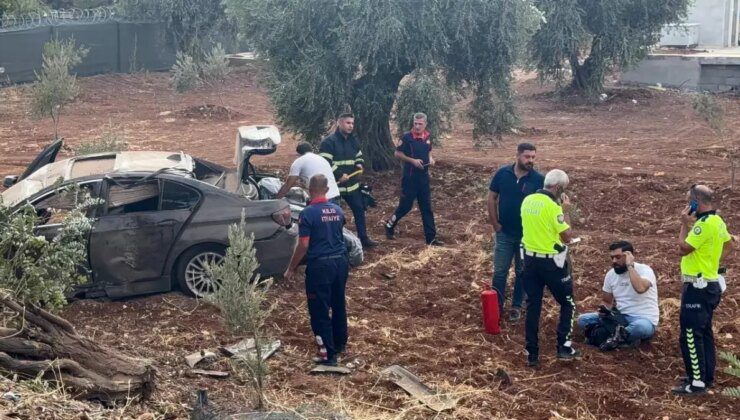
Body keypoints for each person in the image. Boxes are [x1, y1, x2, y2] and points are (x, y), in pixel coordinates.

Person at [672, 184, 732, 395]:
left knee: (690, 334)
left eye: (689, 201)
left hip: (697, 287)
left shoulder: (702, 225)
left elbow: (682, 248)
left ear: (696, 202)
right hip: (711, 284)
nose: (687, 205)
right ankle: (705, 376)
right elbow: (730, 244)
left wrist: (684, 224)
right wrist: (713, 264)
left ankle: (696, 383)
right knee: (704, 332)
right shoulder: (718, 221)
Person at [284, 174, 350, 366]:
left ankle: (327, 355)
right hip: (340, 262)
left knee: (319, 309)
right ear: (327, 190)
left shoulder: (308, 213)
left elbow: (304, 244)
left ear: (310, 191)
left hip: (320, 266)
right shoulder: (338, 210)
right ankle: (339, 343)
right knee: (338, 303)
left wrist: (291, 267)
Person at [520, 169, 579, 367]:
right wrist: (566, 210)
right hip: (551, 263)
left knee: (533, 305)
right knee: (568, 302)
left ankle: (532, 353)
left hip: (529, 261)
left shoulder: (527, 200)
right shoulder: (554, 208)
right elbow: (567, 236)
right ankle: (564, 347)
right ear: (558, 188)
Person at [487, 143, 544, 322]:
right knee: (500, 271)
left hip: (526, 237)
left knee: (522, 272)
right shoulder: (502, 174)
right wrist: (495, 224)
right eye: (527, 157)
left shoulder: (537, 179)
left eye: (533, 157)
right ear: (518, 156)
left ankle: (516, 306)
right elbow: (492, 197)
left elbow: (544, 205)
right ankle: (496, 306)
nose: (531, 161)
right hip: (504, 233)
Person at [577, 241, 659, 351]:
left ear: (629, 256)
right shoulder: (611, 274)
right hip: (620, 317)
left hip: (643, 319)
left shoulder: (645, 270)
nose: (614, 261)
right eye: (612, 258)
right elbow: (607, 301)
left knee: (640, 328)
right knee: (583, 320)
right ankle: (621, 338)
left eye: (618, 257)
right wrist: (605, 311)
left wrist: (630, 266)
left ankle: (612, 336)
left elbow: (640, 288)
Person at [384, 113, 443, 246]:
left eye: (420, 124)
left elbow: (429, 151)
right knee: (405, 207)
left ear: (425, 124)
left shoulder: (428, 137)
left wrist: (431, 159)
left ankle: (431, 239)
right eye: (415, 123)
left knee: (426, 208)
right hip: (410, 178)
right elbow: (397, 153)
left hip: (423, 178)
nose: (416, 126)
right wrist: (412, 161)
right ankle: (389, 225)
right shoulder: (406, 138)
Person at [319, 113, 377, 248]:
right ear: (339, 123)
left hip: (352, 186)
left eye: (352, 123)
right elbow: (325, 162)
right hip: (335, 187)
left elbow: (358, 155)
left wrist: (359, 164)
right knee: (335, 216)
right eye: (348, 123)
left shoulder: (354, 141)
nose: (351, 126)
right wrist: (339, 174)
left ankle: (363, 238)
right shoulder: (328, 142)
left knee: (359, 210)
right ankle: (336, 241)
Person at [275, 142, 340, 201]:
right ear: (311, 150)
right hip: (335, 195)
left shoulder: (299, 161)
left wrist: (276, 200)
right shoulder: (321, 159)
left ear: (298, 153)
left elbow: (288, 184)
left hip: (321, 199)